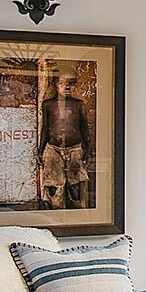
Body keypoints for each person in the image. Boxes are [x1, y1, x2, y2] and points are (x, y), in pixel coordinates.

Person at [37, 70, 92, 209]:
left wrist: (88, 150)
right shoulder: (48, 104)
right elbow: (45, 128)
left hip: (75, 148)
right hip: (53, 148)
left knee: (76, 185)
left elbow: (84, 128)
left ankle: (78, 213)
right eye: (62, 83)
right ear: (56, 85)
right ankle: (56, 212)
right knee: (54, 185)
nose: (67, 86)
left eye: (71, 83)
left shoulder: (79, 104)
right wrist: (40, 151)